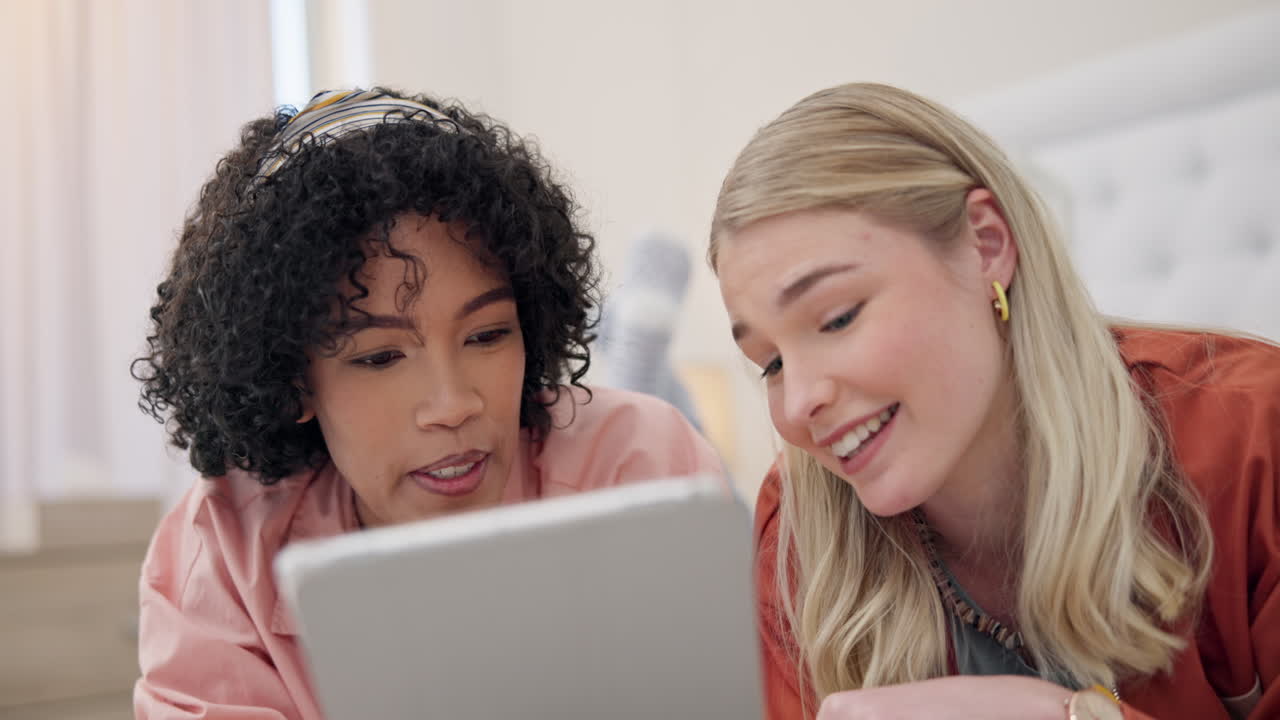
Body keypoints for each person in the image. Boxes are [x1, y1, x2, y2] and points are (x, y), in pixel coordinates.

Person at [130, 88, 724, 720]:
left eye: (488, 335)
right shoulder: (223, 545)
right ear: (294, 378)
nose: (452, 404)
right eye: (380, 357)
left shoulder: (637, 463)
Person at [708, 82, 1277, 720]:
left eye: (837, 318)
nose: (801, 404)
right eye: (773, 364)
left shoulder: (1253, 432)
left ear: (986, 244)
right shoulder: (796, 532)